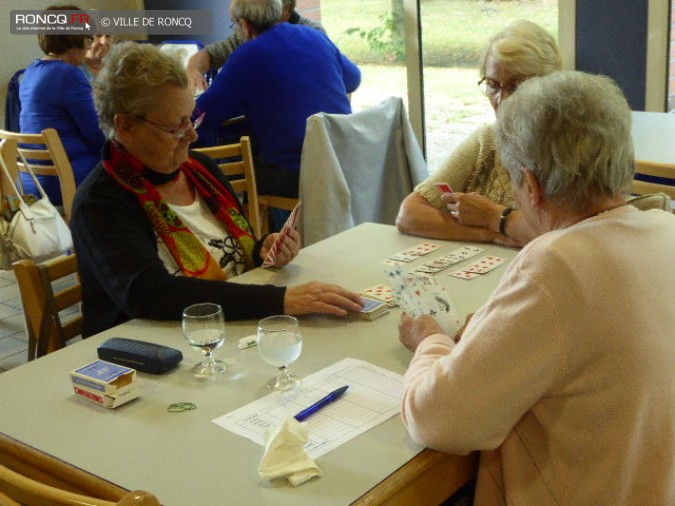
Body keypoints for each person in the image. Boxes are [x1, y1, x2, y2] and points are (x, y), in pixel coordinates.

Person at [398, 71, 675, 505]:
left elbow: (438, 420)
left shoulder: (557, 263)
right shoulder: (665, 230)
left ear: (530, 185)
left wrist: (430, 341)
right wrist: (490, 334)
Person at [70, 41, 363, 338]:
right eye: (176, 127)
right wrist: (280, 300)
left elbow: (227, 256)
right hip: (148, 346)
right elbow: (151, 293)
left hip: (227, 331)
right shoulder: (100, 202)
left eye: (191, 118)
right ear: (126, 127)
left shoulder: (201, 169)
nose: (192, 135)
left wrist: (261, 249)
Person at [396, 20, 561, 247]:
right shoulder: (487, 140)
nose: (501, 100)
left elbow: (569, 236)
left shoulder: (568, 147)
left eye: (515, 86)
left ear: (548, 86)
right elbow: (409, 214)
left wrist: (492, 216)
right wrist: (491, 235)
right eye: (493, 85)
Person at [196, 0, 361, 200]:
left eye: (235, 23)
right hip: (345, 165)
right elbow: (353, 79)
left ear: (245, 25)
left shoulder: (246, 56)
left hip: (297, 176)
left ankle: (260, 219)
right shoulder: (315, 36)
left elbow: (201, 116)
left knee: (238, 170)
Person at [19, 4, 104, 205]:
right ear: (75, 38)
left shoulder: (31, 72)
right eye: (88, 39)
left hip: (30, 180)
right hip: (65, 179)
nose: (89, 46)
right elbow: (98, 135)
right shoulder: (69, 75)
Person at [187, 0, 324, 91]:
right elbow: (211, 54)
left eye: (271, 6)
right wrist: (193, 69)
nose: (263, 13)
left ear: (287, 9)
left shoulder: (314, 34)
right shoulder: (251, 32)